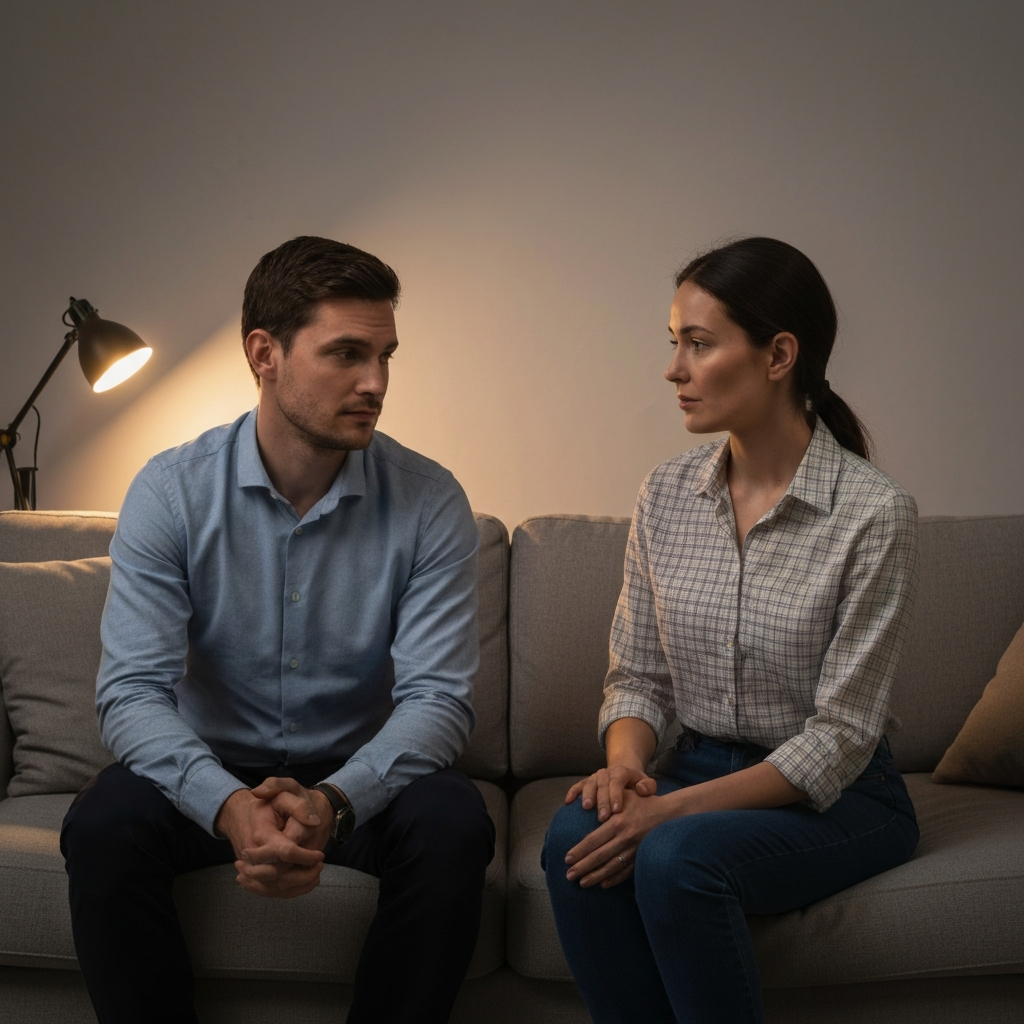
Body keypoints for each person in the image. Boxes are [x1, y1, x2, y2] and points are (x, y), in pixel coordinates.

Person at [60, 236, 495, 1024]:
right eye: (347, 354)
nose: (376, 383)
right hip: (211, 762)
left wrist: (333, 801)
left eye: (386, 356)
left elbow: (439, 701)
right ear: (265, 353)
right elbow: (130, 694)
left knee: (455, 823)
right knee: (101, 824)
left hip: (360, 773)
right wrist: (228, 805)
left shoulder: (430, 501)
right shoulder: (170, 492)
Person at [544, 237, 920, 1024]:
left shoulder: (873, 513)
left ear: (779, 354)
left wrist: (673, 812)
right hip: (696, 763)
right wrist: (623, 770)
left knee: (676, 859)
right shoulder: (666, 495)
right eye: (673, 342)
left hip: (839, 798)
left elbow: (842, 736)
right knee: (572, 837)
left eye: (699, 344)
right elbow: (638, 677)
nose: (673, 368)